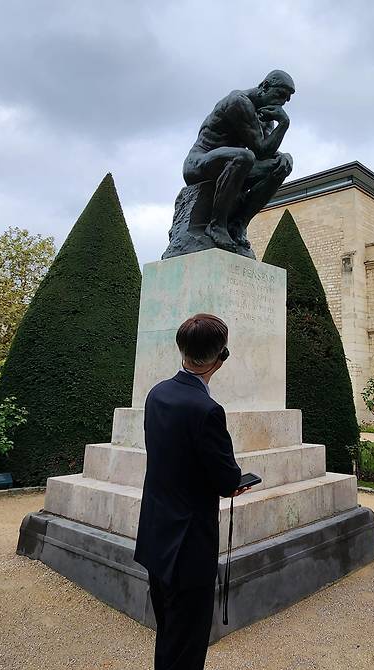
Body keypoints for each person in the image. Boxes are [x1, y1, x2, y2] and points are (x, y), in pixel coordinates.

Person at [134, 313, 246, 669]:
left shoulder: (157, 394)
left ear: (181, 350)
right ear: (220, 358)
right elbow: (228, 480)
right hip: (189, 545)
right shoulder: (207, 409)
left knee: (169, 633)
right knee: (188, 644)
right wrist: (235, 482)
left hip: (156, 534)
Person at [183, 70, 295, 253]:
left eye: (287, 99)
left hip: (234, 165)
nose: (282, 102)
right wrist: (284, 124)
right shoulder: (238, 101)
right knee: (244, 157)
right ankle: (216, 225)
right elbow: (260, 150)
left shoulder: (266, 116)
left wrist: (285, 157)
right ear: (265, 86)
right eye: (280, 95)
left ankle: (238, 224)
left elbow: (268, 152)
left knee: (281, 166)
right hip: (199, 164)